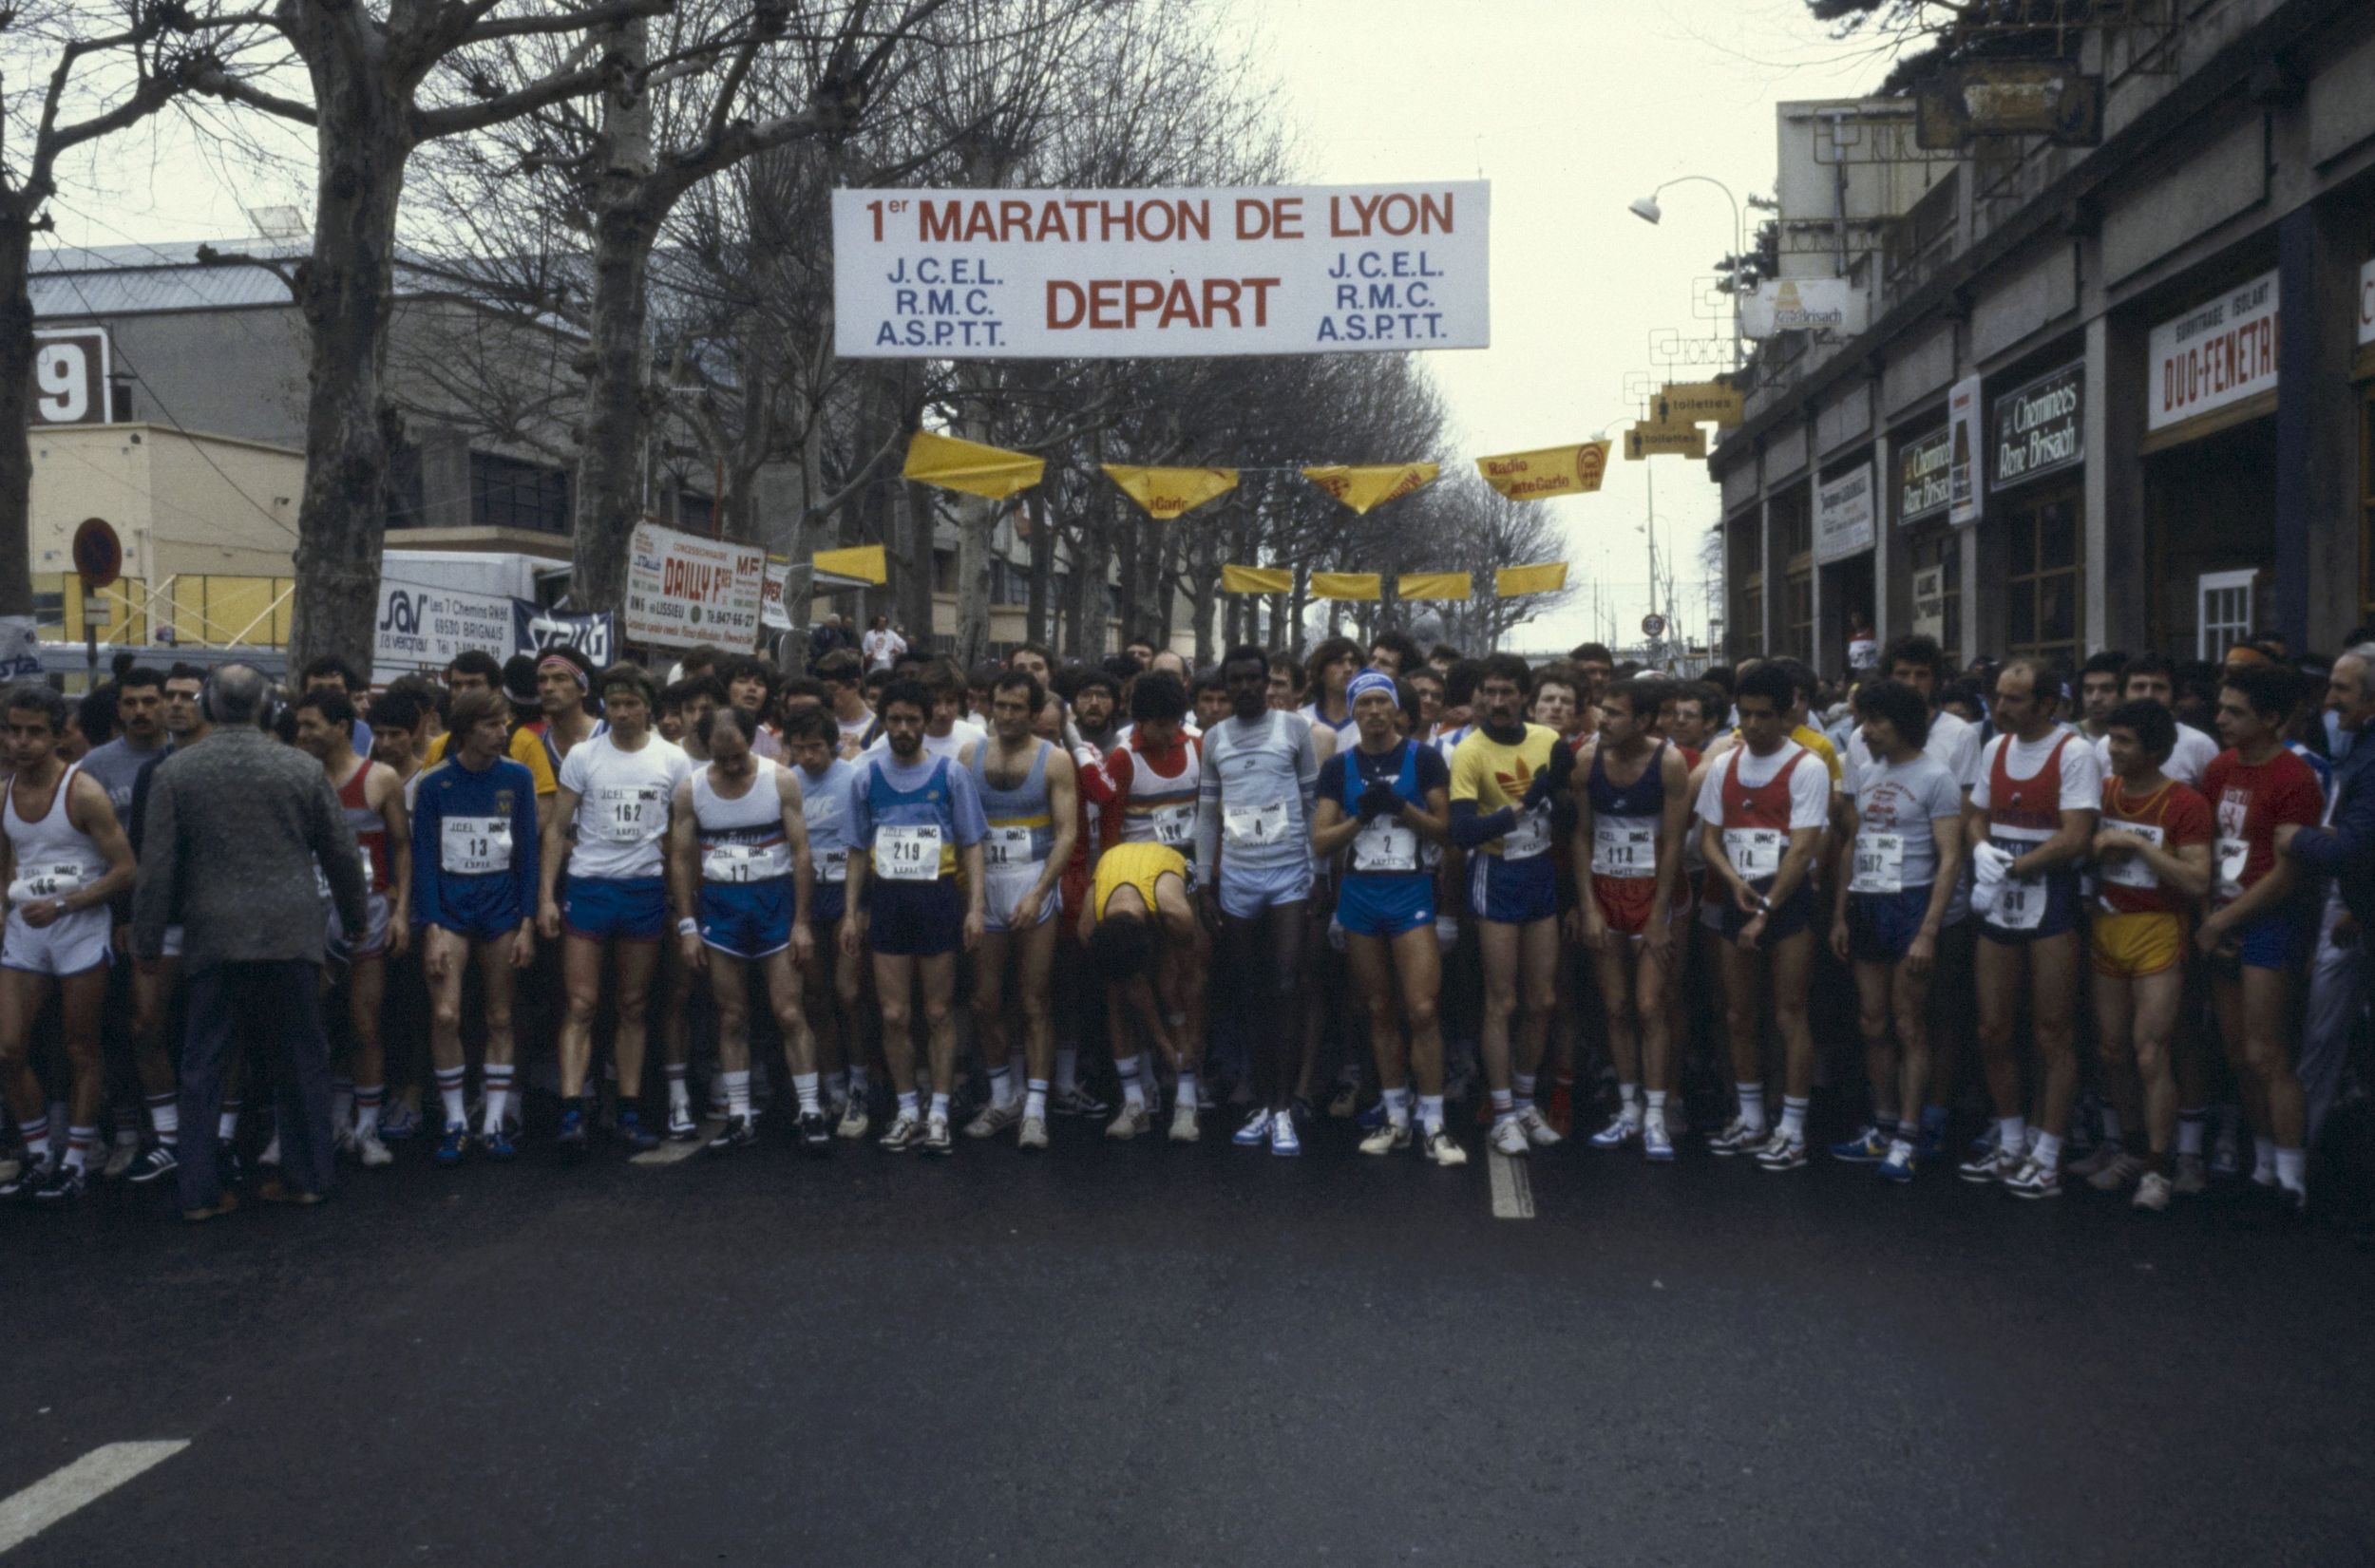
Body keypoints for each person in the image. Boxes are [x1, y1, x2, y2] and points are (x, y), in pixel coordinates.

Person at [135, 664, 368, 1219]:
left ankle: (199, 1192)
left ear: (210, 705)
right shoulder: (300, 768)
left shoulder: (177, 772)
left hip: (213, 934)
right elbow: (339, 853)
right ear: (268, 706)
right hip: (290, 933)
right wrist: (355, 918)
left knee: (204, 1065)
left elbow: (158, 867)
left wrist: (147, 939)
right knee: (301, 1058)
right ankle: (307, 1177)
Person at [539, 663, 694, 1160]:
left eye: (632, 704)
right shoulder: (584, 756)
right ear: (603, 705)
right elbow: (557, 830)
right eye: (615, 704)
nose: (623, 713)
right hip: (589, 886)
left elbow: (681, 838)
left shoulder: (673, 759)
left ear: (649, 706)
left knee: (632, 1005)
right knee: (580, 1004)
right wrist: (545, 896)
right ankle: (571, 1111)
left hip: (643, 889)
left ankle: (628, 1108)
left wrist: (680, 902)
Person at [1310, 671, 1463, 1165]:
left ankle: (1435, 1121)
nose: (1374, 711)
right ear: (1352, 712)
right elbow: (1321, 840)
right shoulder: (1339, 766)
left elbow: (1445, 831)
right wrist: (1360, 818)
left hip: (1410, 891)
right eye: (1364, 704)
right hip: (1360, 894)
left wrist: (1401, 808)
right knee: (1378, 1008)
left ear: (1396, 709)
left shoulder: (1424, 758)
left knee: (1421, 1008)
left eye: (1382, 702)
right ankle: (1396, 1115)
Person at [1962, 658, 2102, 1198]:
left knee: (2053, 1033)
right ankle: (2013, 1139)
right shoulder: (1995, 748)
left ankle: (2048, 1152)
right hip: (2001, 896)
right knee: (1993, 1028)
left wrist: (2016, 866)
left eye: (2015, 699)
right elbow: (1974, 810)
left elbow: (2076, 837)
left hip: (2051, 898)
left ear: (2048, 705)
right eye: (1998, 696)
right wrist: (1981, 847)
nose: (2001, 708)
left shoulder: (2074, 753)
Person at [0, 687, 137, 1202]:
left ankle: (76, 1158)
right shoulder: (4, 792)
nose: (22, 741)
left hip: (78, 928)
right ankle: (39, 1154)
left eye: (35, 731)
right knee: (9, 1049)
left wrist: (66, 905)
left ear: (58, 735)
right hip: (26, 933)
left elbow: (127, 870)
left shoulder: (82, 792)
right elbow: (6, 865)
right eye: (14, 730)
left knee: (81, 1048)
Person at [668, 705, 825, 1152]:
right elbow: (680, 859)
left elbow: (801, 854)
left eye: (739, 755)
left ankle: (810, 1110)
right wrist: (687, 926)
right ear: (706, 751)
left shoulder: (780, 779)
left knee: (789, 1011)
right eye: (722, 759)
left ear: (751, 739)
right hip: (723, 908)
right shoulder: (692, 789)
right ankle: (739, 1115)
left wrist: (802, 922)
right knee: (732, 1015)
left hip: (774, 903)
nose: (733, 766)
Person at [841, 678, 987, 1154]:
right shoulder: (865, 776)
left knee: (940, 1011)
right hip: (888, 901)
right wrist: (850, 912)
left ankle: (940, 1111)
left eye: (912, 720)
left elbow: (971, 844)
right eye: (895, 720)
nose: (903, 729)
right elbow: (858, 851)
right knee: (895, 1013)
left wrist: (976, 908)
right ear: (883, 724)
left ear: (927, 722)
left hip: (938, 899)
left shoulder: (950, 775)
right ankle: (907, 1109)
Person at [1826, 680, 1965, 1182]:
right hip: (1868, 900)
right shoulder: (1866, 769)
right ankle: (1882, 1125)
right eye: (1864, 720)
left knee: (1910, 1024)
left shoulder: (1936, 777)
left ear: (1903, 724)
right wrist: (1841, 913)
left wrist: (1928, 930)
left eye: (1877, 722)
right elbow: (1851, 844)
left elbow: (1951, 858)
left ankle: (1909, 1133)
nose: (1865, 731)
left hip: (1911, 901)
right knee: (1873, 1021)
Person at [2198, 663, 2323, 1216]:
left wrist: (2224, 920)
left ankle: (2294, 1178)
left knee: (2266, 1051)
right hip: (2221, 914)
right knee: (2235, 1053)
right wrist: (2209, 913)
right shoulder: (2221, 767)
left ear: (2271, 718)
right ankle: (2264, 1164)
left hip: (2270, 920)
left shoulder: (2295, 777)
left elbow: (2289, 872)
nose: (2221, 718)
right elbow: (2202, 847)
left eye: (2235, 711)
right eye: (2221, 707)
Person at [1699, 662, 1830, 1168]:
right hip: (1739, 896)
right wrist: (1733, 884)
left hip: (1786, 901)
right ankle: (1752, 1118)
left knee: (1789, 1013)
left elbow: (1802, 850)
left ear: (1787, 715)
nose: (1752, 726)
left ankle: (1792, 1128)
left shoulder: (1808, 767)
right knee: (1738, 1013)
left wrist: (1766, 907)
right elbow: (1709, 837)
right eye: (1745, 715)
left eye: (1764, 717)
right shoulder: (1724, 765)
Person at [2085, 699, 2214, 1212]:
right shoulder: (2104, 792)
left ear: (2155, 750)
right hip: (2107, 923)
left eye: (2123, 742)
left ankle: (2161, 1168)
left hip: (2159, 928)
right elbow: (2081, 845)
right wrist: (2099, 848)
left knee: (2150, 1050)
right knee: (2113, 1049)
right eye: (2111, 739)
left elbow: (2197, 878)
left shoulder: (2184, 803)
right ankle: (2132, 1151)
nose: (2112, 749)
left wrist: (2137, 847)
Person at [1197, 644, 1321, 1154]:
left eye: (1256, 679)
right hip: (1240, 878)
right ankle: (1264, 1104)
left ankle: (1283, 1107)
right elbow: (1206, 814)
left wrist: (1320, 871)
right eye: (1237, 680)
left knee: (1287, 983)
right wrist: (1204, 880)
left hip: (1290, 872)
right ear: (1225, 687)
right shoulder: (1214, 737)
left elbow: (1314, 804)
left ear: (1268, 681)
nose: (1248, 688)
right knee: (1251, 991)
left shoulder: (1294, 730)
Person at [408, 687, 540, 1164]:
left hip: (501, 909)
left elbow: (529, 854)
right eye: (491, 725)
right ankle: (455, 1119)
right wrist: (431, 928)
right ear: (466, 731)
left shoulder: (519, 778)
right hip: (450, 912)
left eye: (504, 723)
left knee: (501, 1016)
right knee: (446, 1014)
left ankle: (494, 1121)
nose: (502, 733)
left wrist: (527, 923)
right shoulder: (435, 783)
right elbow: (423, 860)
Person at [1449, 652, 1569, 1158]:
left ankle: (1524, 1102)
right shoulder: (1470, 750)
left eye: (1507, 693)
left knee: (1542, 1000)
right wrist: (1520, 806)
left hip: (1539, 872)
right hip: (1495, 875)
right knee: (1503, 1000)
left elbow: (1569, 810)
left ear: (1524, 695)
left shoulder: (1549, 741)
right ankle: (1500, 1112)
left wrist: (1555, 800)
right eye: (1489, 693)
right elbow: (1461, 831)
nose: (1497, 702)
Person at [1571, 677, 1693, 1161]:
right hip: (1606, 889)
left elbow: (1676, 843)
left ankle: (1658, 1114)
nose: (1603, 719)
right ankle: (1628, 1109)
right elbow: (1581, 834)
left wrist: (1659, 914)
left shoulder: (1669, 762)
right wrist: (1588, 906)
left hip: (1656, 894)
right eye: (1602, 709)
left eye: (1615, 713)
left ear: (1642, 721)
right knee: (1617, 1006)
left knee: (1649, 1005)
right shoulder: (1586, 759)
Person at [293, 688, 412, 1170]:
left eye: (311, 725)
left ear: (342, 727)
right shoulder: (296, 777)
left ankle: (366, 1126)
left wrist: (402, 912)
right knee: (313, 1025)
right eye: (298, 726)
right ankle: (316, 1122)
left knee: (366, 1023)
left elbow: (403, 847)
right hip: (308, 917)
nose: (301, 734)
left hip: (368, 914)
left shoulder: (380, 778)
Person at [963, 671, 1079, 1147]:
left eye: (1016, 708)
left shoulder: (1055, 761)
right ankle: (1002, 1097)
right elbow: (963, 828)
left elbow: (1067, 833)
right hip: (985, 884)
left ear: (1034, 714)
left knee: (1033, 1001)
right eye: (1000, 705)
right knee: (985, 1000)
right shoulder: (969, 755)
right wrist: (971, 898)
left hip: (1033, 879)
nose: (1006, 715)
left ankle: (1034, 1107)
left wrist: (1038, 892)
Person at [1077, 840, 1203, 1143]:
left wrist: (1186, 1036)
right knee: (1116, 995)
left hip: (1168, 872)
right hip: (1118, 867)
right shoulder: (1089, 927)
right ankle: (1135, 1102)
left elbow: (1194, 981)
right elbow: (1132, 984)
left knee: (1175, 990)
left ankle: (1187, 1101)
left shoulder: (1176, 913)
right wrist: (1160, 1039)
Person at [781, 708, 869, 1137]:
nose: (808, 756)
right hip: (805, 894)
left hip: (846, 890)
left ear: (833, 743)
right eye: (799, 748)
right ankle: (831, 1085)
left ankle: (860, 1085)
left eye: (816, 746)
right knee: (815, 996)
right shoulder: (787, 780)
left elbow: (863, 840)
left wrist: (857, 907)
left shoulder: (853, 777)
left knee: (849, 993)